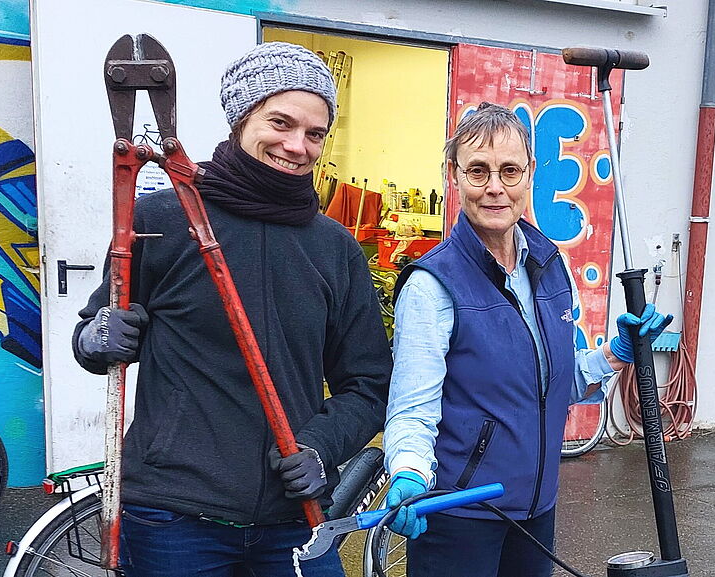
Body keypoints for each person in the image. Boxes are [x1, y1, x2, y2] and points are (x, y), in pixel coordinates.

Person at [72, 42, 392, 577]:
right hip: (174, 516)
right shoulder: (161, 220)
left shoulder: (335, 249)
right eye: (281, 123)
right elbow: (93, 332)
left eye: (315, 133)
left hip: (294, 517)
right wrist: (96, 337)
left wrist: (320, 446)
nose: (298, 146)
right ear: (242, 118)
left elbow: (368, 383)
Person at [382, 102, 673, 577]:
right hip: (460, 513)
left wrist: (613, 355)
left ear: (530, 174)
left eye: (509, 170)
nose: (495, 187)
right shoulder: (433, 284)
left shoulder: (548, 263)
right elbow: (413, 406)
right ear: (454, 175)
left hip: (536, 509)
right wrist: (409, 472)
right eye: (478, 171)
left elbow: (554, 384)